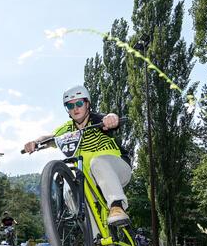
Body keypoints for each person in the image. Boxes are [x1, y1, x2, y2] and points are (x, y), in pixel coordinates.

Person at [23, 85, 132, 226]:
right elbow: (50, 138)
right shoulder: (68, 129)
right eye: (70, 105)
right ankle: (95, 240)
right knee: (72, 192)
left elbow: (111, 119)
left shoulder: (98, 120)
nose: (75, 108)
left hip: (116, 170)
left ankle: (117, 206)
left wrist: (112, 118)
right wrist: (35, 143)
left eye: (79, 103)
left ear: (87, 104)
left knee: (97, 162)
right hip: (90, 179)